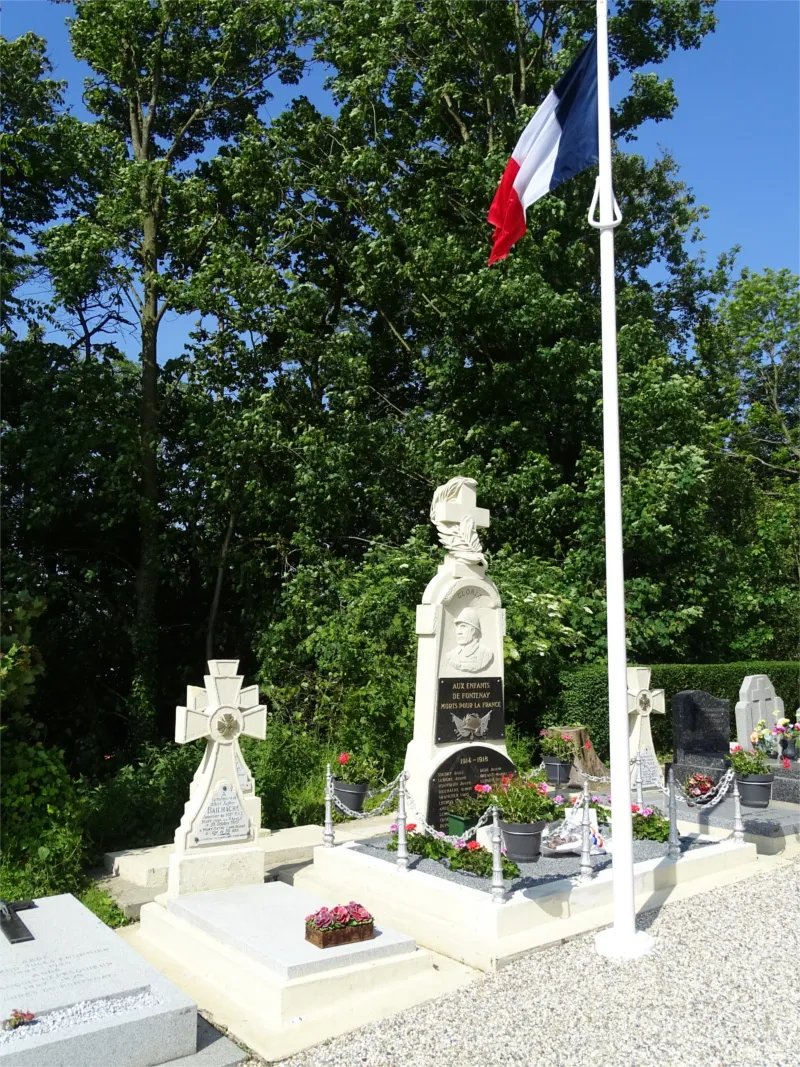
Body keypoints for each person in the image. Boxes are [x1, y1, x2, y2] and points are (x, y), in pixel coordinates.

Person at [445, 606, 493, 673]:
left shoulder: (486, 653)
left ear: (473, 630)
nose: (458, 632)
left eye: (463, 626)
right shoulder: (451, 655)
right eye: (457, 627)